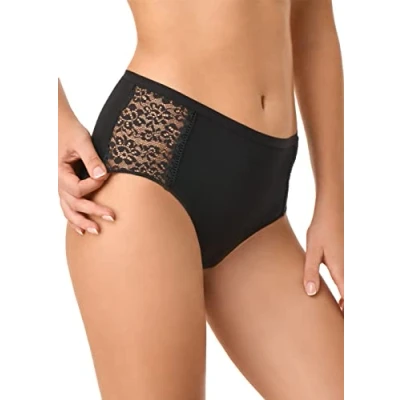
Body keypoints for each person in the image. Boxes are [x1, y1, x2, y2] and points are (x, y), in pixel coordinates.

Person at [58, 0, 344, 398]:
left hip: (260, 208)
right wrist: (55, 122)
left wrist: (332, 204)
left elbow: (313, 25)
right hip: (148, 172)